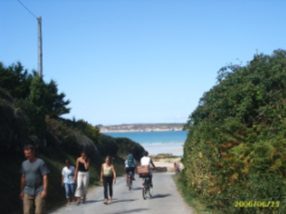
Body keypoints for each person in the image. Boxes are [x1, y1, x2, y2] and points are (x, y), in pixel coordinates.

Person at [20, 144, 49, 214]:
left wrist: (44, 190)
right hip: (27, 190)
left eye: (28, 153)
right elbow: (23, 177)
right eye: (25, 154)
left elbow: (45, 176)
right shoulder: (24, 164)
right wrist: (21, 191)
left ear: (33, 152)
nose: (27, 155)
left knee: (39, 211)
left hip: (39, 190)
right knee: (27, 212)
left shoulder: (40, 162)